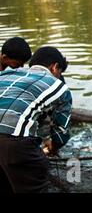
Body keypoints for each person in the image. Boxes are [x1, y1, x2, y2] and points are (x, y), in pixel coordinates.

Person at [0, 46, 72, 193]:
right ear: (54, 67)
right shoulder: (59, 87)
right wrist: (53, 147)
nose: (59, 76)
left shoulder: (6, 74)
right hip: (14, 144)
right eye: (59, 72)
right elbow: (60, 133)